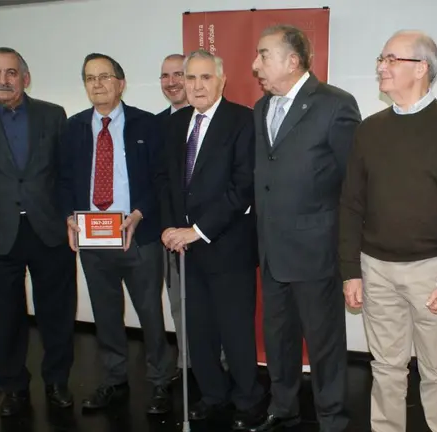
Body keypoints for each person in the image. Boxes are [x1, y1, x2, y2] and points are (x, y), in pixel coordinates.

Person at [339, 30, 437, 432]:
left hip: (433, 271)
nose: (381, 67)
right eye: (380, 59)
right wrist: (350, 269)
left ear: (421, 68)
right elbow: (351, 205)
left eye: (391, 59)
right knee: (385, 368)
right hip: (375, 269)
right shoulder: (369, 130)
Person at [0, 46, 77, 417]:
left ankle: (57, 383)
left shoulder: (53, 115)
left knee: (56, 312)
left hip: (48, 230)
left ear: (25, 76)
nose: (2, 80)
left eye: (10, 73)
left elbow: (65, 174)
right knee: (5, 318)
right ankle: (14, 388)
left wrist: (71, 216)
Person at [251, 24, 361, 432]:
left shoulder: (335, 105)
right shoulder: (263, 108)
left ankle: (332, 417)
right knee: (278, 338)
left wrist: (348, 251)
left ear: (292, 61)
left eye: (263, 55)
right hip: (272, 248)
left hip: (316, 249)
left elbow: (354, 183)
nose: (254, 65)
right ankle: (284, 407)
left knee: (324, 342)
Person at [58, 53, 174, 414]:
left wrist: (140, 214)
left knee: (150, 313)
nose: (97, 84)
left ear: (120, 83)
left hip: (137, 236)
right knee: (105, 314)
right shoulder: (73, 127)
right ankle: (113, 379)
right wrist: (68, 217)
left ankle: (159, 382)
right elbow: (62, 180)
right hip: (93, 239)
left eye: (105, 77)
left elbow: (161, 180)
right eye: (90, 78)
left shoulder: (147, 125)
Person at [158, 49, 267, 430]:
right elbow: (167, 183)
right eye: (190, 78)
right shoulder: (173, 126)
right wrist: (170, 228)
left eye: (205, 78)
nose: (197, 85)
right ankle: (213, 394)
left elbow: (243, 188)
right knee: (197, 329)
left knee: (234, 329)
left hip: (227, 247)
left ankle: (247, 400)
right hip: (184, 249)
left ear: (221, 81)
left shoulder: (243, 121)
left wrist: (198, 230)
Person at [156, 52, 191, 382]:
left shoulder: (214, 120)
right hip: (169, 233)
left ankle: (218, 362)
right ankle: (186, 364)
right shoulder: (156, 125)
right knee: (178, 303)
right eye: (165, 76)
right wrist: (167, 228)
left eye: (179, 74)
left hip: (206, 234)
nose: (172, 82)